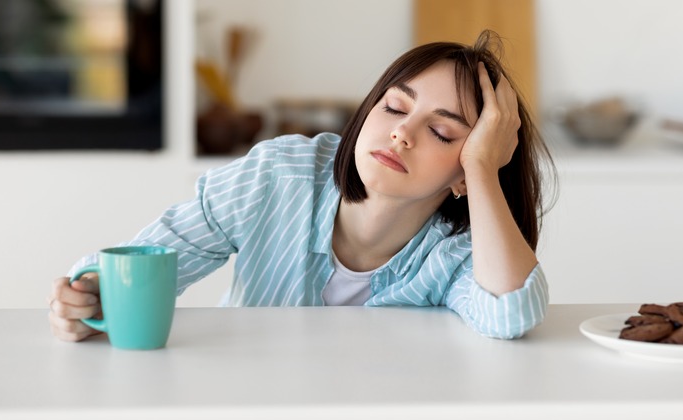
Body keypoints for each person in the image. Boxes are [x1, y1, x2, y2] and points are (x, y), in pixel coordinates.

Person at [48, 30, 555, 342]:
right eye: (394, 107)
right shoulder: (279, 174)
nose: (402, 132)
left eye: (442, 131)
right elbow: (142, 265)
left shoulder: (459, 252)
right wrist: (89, 297)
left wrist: (485, 170)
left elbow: (510, 312)